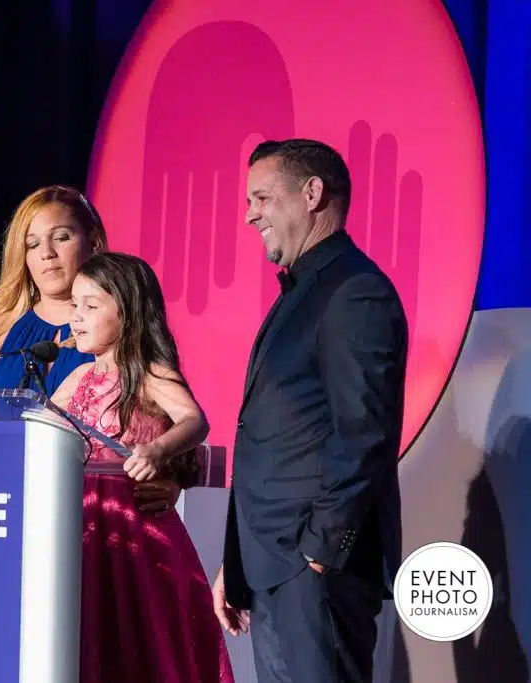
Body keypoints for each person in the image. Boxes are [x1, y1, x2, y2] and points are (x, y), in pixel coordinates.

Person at [213, 139, 408, 683]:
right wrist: (236, 559)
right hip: (273, 565)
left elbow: (364, 433)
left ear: (312, 193)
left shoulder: (354, 292)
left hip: (314, 570)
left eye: (262, 197)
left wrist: (319, 553)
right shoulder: (303, 292)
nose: (250, 214)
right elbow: (267, 437)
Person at [49, 252, 234, 683]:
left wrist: (156, 451)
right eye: (74, 305)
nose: (77, 317)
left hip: (135, 538)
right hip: (84, 535)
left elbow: (195, 420)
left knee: (139, 648)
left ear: (129, 314)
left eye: (90, 306)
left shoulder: (148, 373)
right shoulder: (75, 379)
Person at [0, 184, 186, 512]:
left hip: (98, 509)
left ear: (93, 242)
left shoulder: (119, 324)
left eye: (61, 237)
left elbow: (168, 416)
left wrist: (173, 481)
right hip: (1, 500)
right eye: (32, 244)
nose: (46, 253)